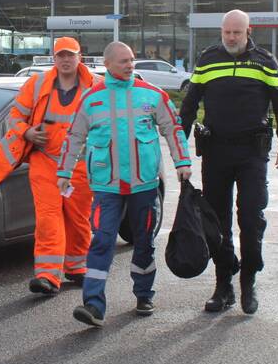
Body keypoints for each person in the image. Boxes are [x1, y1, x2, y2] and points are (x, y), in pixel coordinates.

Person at [58, 41, 192, 327]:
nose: (130, 65)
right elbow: (74, 138)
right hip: (106, 187)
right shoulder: (92, 99)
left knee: (144, 241)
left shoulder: (152, 95)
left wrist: (183, 163)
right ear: (107, 65)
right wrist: (64, 172)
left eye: (132, 60)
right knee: (102, 241)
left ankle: (144, 295)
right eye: (123, 61)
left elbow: (173, 128)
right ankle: (93, 305)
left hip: (144, 185)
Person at [179, 9, 278, 315]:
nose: (231, 37)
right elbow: (190, 104)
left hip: (251, 154)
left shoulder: (265, 61)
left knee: (251, 218)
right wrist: (180, 144)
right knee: (217, 221)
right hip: (216, 150)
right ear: (221, 31)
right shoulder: (208, 59)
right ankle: (223, 285)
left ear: (248, 31)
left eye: (237, 32)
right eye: (227, 32)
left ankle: (248, 282)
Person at [0, 36, 100, 296]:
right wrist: (27, 132)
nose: (65, 60)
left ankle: (77, 267)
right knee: (48, 217)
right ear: (54, 58)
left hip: (80, 166)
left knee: (78, 218)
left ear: (79, 57)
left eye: (70, 55)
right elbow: (15, 116)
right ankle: (48, 276)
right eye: (60, 55)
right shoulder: (37, 83)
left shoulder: (96, 86)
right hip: (46, 162)